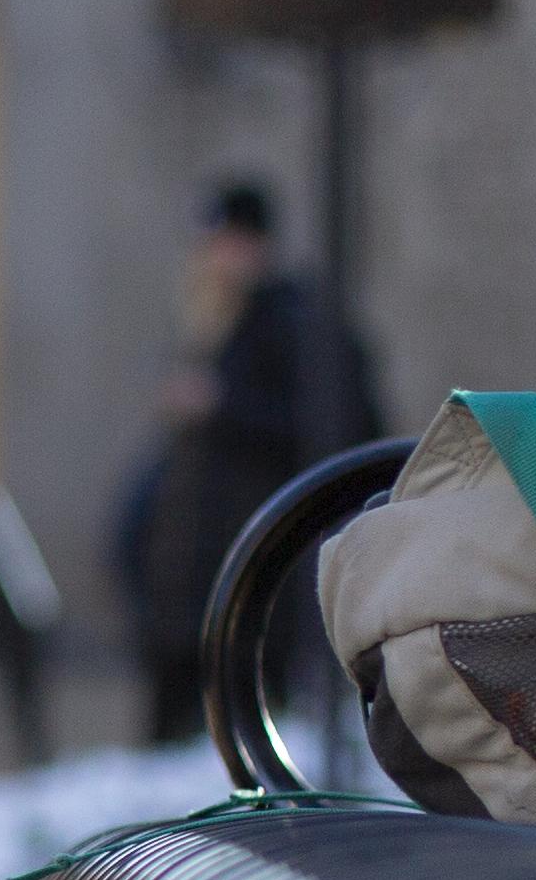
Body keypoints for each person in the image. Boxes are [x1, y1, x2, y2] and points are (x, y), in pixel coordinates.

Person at [125, 175, 381, 743]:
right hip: (199, 584)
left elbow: (336, 430)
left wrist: (222, 406)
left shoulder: (294, 322)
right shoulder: (220, 326)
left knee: (251, 733)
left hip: (264, 573)